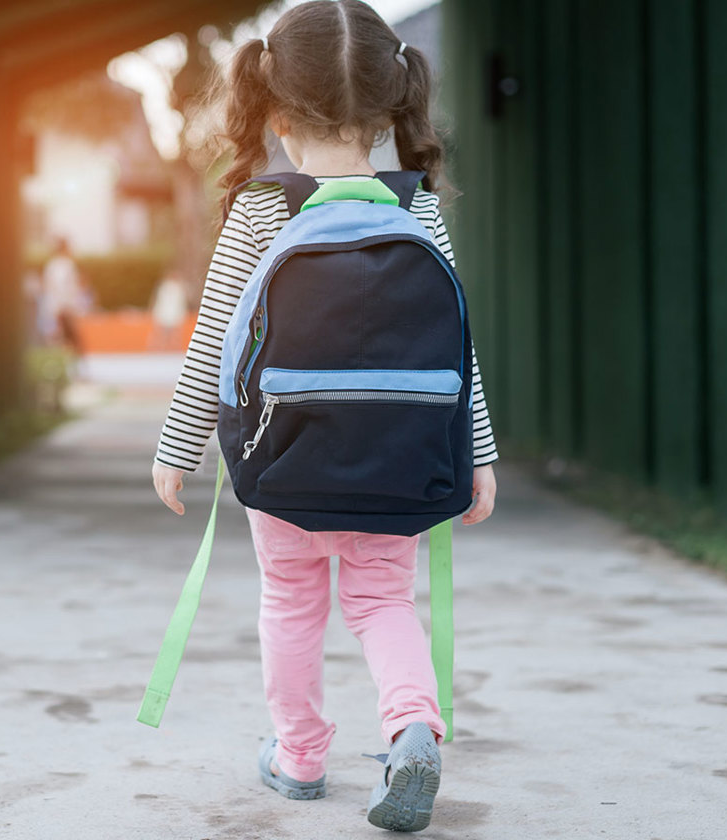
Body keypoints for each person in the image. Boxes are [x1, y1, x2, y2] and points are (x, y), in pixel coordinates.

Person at [149, 2, 498, 832]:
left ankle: (300, 756)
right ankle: (412, 730)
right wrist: (477, 455)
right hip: (400, 461)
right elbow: (458, 349)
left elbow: (213, 342)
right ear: (387, 110)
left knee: (291, 603)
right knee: (383, 601)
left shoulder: (262, 209)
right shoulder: (416, 209)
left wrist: (178, 449)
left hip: (286, 461)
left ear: (275, 110)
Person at [41, 237, 86, 364]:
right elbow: (62, 287)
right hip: (63, 307)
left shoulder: (52, 265)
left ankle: (63, 362)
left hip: (57, 306)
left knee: (59, 337)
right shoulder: (64, 265)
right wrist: (64, 306)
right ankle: (72, 363)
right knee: (68, 337)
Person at [148, 272, 189, 351]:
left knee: (174, 333)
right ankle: (158, 346)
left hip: (173, 313)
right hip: (164, 312)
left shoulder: (178, 287)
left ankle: (174, 347)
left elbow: (181, 302)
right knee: (161, 332)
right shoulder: (165, 286)